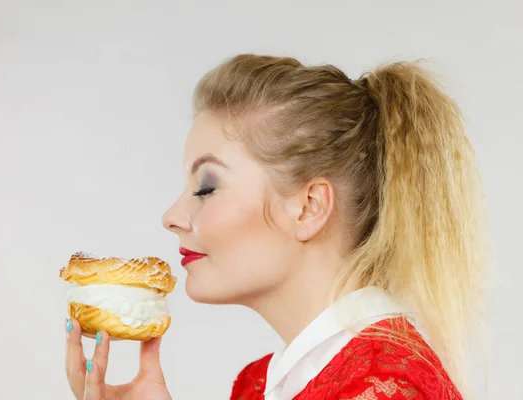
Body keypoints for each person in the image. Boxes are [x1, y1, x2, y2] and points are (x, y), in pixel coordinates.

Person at [64, 54, 491, 399]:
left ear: (309, 207)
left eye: (207, 186)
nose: (171, 217)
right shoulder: (258, 385)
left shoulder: (388, 388)